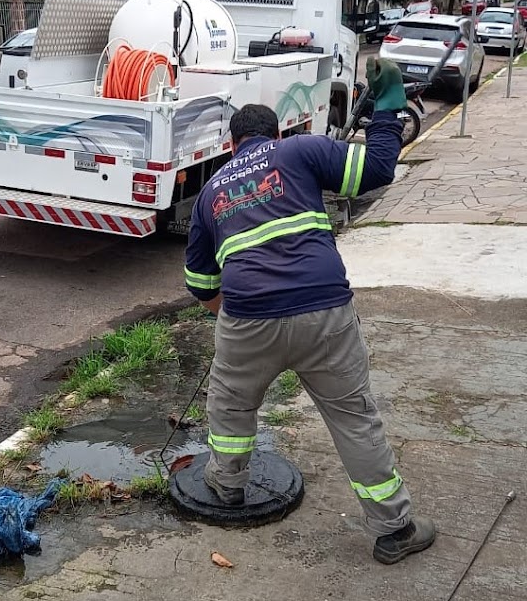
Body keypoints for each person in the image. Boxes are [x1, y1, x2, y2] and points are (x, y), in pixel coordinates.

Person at [184, 58, 435, 565]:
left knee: (230, 411)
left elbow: (200, 283)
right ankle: (395, 530)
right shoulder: (298, 149)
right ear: (274, 132)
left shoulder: (211, 192)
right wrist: (385, 112)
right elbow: (378, 168)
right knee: (354, 419)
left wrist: (235, 322)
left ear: (232, 146)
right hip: (325, 311)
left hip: (249, 317)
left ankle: (227, 489)